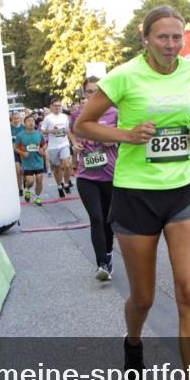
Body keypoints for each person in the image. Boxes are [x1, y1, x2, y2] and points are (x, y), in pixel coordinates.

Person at [73, 5, 190, 380]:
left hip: (183, 189)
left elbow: (189, 114)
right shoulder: (123, 76)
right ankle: (133, 341)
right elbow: (84, 125)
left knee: (189, 291)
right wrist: (127, 135)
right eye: (162, 37)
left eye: (177, 37)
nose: (171, 45)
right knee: (144, 297)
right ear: (145, 38)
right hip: (136, 194)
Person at [69, 76, 118, 282]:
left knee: (108, 220)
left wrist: (108, 138)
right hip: (86, 176)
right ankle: (101, 263)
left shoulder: (114, 113)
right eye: (89, 91)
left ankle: (108, 252)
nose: (93, 95)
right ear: (84, 94)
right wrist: (74, 145)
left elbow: (118, 137)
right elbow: (72, 131)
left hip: (110, 175)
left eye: (97, 90)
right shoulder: (77, 114)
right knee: (96, 218)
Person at [41, 98, 74, 199]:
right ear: (51, 107)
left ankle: (67, 184)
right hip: (53, 147)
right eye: (55, 105)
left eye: (59, 105)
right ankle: (59, 186)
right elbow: (42, 131)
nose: (57, 107)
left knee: (67, 165)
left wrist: (73, 142)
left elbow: (68, 130)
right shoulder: (48, 118)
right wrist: (51, 131)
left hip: (64, 144)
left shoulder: (64, 116)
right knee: (57, 169)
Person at [16, 115, 47, 206]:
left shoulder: (39, 134)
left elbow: (44, 144)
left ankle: (37, 197)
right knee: (30, 181)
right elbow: (15, 147)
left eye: (32, 121)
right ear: (25, 123)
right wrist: (22, 153)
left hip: (38, 161)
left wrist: (42, 149)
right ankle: (27, 189)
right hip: (27, 163)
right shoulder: (20, 135)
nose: (31, 123)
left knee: (39, 179)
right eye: (29, 121)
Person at [10, 112, 25, 197]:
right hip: (15, 152)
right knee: (17, 170)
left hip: (23, 151)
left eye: (17, 118)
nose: (16, 120)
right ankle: (20, 188)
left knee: (24, 170)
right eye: (14, 118)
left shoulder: (24, 127)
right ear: (11, 119)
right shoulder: (9, 128)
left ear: (20, 118)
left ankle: (25, 182)